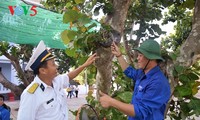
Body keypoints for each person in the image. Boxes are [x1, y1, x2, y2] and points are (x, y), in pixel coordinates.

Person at [17, 41, 98, 120]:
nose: (57, 66)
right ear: (43, 71)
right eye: (53, 64)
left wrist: (85, 65)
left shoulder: (56, 81)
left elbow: (69, 76)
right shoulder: (31, 95)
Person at [99, 40, 171, 120]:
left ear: (151, 58)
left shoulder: (158, 83)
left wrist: (111, 102)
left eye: (140, 56)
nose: (138, 58)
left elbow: (141, 112)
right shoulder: (143, 73)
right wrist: (119, 55)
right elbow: (129, 71)